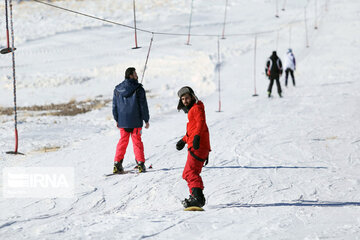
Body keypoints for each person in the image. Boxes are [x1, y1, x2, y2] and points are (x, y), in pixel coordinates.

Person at [176, 86, 211, 208]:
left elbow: (200, 123)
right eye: (183, 99)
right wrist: (183, 140)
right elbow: (192, 129)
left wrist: (196, 137)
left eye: (187, 98)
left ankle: (198, 197)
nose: (185, 101)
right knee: (188, 172)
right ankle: (196, 195)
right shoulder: (192, 110)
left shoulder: (197, 108)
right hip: (197, 144)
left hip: (199, 145)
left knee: (190, 172)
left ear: (192, 96)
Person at [112, 67, 150, 173]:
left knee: (122, 142)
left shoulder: (117, 89)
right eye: (135, 74)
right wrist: (146, 119)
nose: (137, 75)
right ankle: (141, 164)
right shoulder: (139, 88)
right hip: (136, 121)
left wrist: (117, 119)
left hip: (123, 121)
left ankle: (117, 163)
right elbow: (143, 106)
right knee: (137, 142)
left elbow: (114, 106)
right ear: (131, 76)